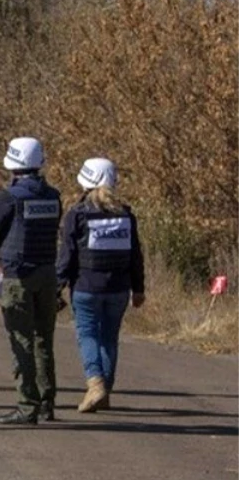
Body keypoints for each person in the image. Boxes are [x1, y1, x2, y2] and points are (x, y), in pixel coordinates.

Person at [56, 157, 146, 412]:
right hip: (119, 288)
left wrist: (56, 286)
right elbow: (135, 255)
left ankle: (95, 384)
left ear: (85, 181)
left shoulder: (77, 214)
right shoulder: (126, 215)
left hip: (86, 287)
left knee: (87, 335)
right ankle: (105, 392)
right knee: (109, 339)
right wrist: (139, 289)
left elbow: (67, 255)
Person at [0, 137, 62, 425]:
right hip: (47, 273)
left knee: (21, 341)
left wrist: (0, 261)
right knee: (44, 340)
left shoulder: (10, 197)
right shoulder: (53, 196)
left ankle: (26, 405)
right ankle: (47, 403)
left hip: (18, 275)